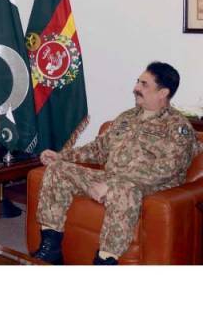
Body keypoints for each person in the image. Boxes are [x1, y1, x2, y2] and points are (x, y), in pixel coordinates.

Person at [32, 61, 197, 265]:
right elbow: (98, 149)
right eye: (138, 81)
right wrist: (62, 156)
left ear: (163, 92)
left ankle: (105, 259)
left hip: (144, 187)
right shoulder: (126, 117)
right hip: (109, 178)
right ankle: (51, 247)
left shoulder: (178, 127)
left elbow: (167, 169)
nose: (136, 88)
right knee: (57, 170)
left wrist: (112, 184)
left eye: (144, 84)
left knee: (123, 189)